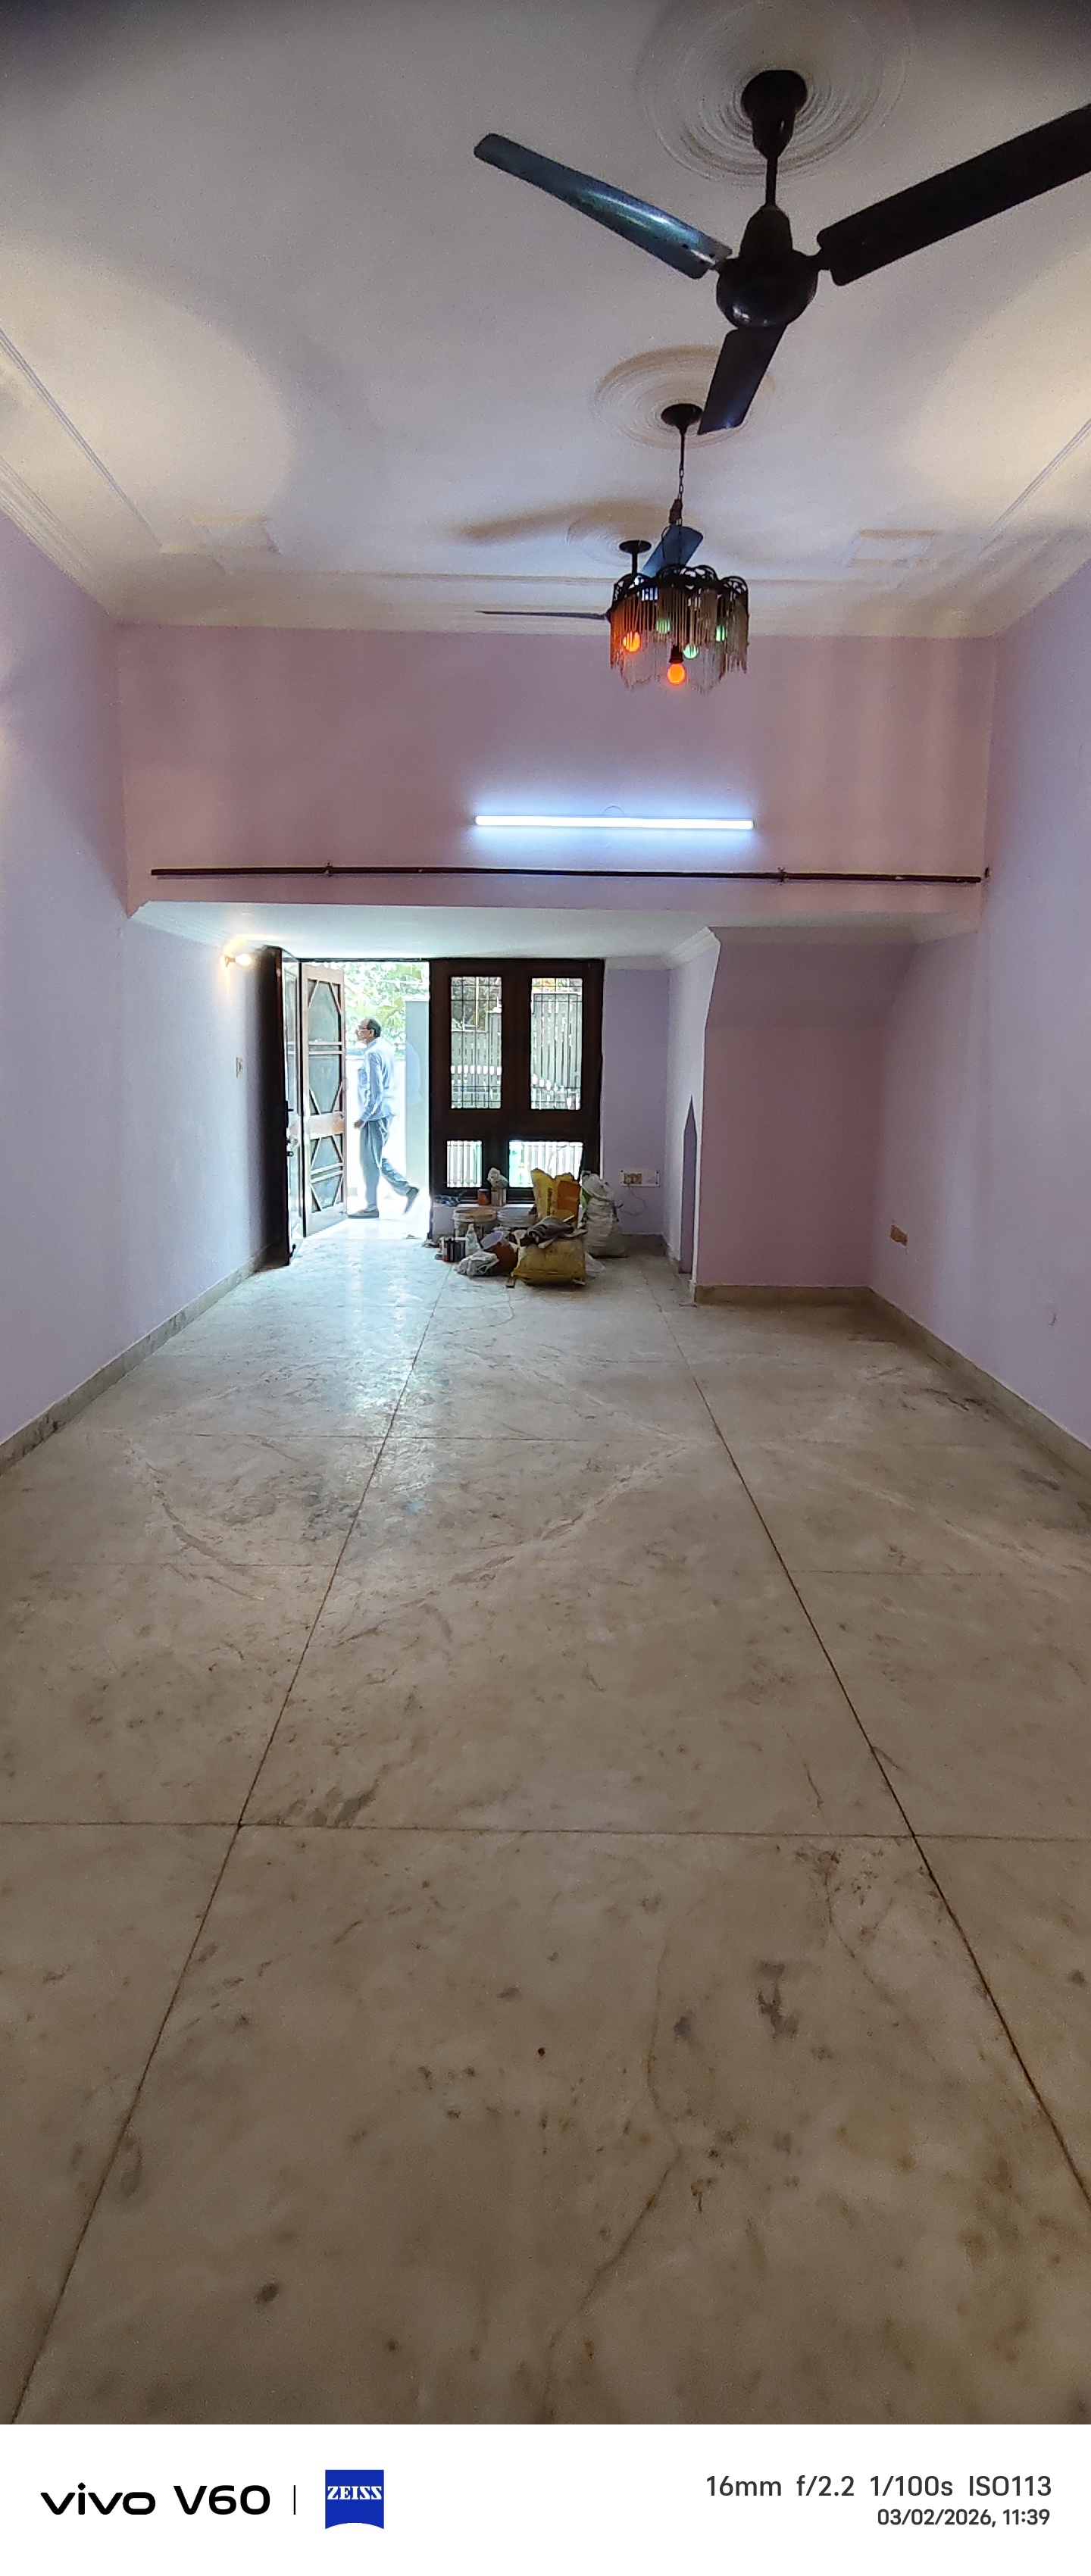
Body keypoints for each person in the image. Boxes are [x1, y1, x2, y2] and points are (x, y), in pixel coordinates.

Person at [352, 1017, 419, 1219]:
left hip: (376, 1115)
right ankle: (407, 1189)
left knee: (370, 1162)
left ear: (371, 1032)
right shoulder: (386, 1048)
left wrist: (364, 1117)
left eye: (361, 1029)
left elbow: (376, 1091)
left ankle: (372, 1206)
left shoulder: (373, 1054)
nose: (358, 1032)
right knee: (376, 1157)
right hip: (385, 1111)